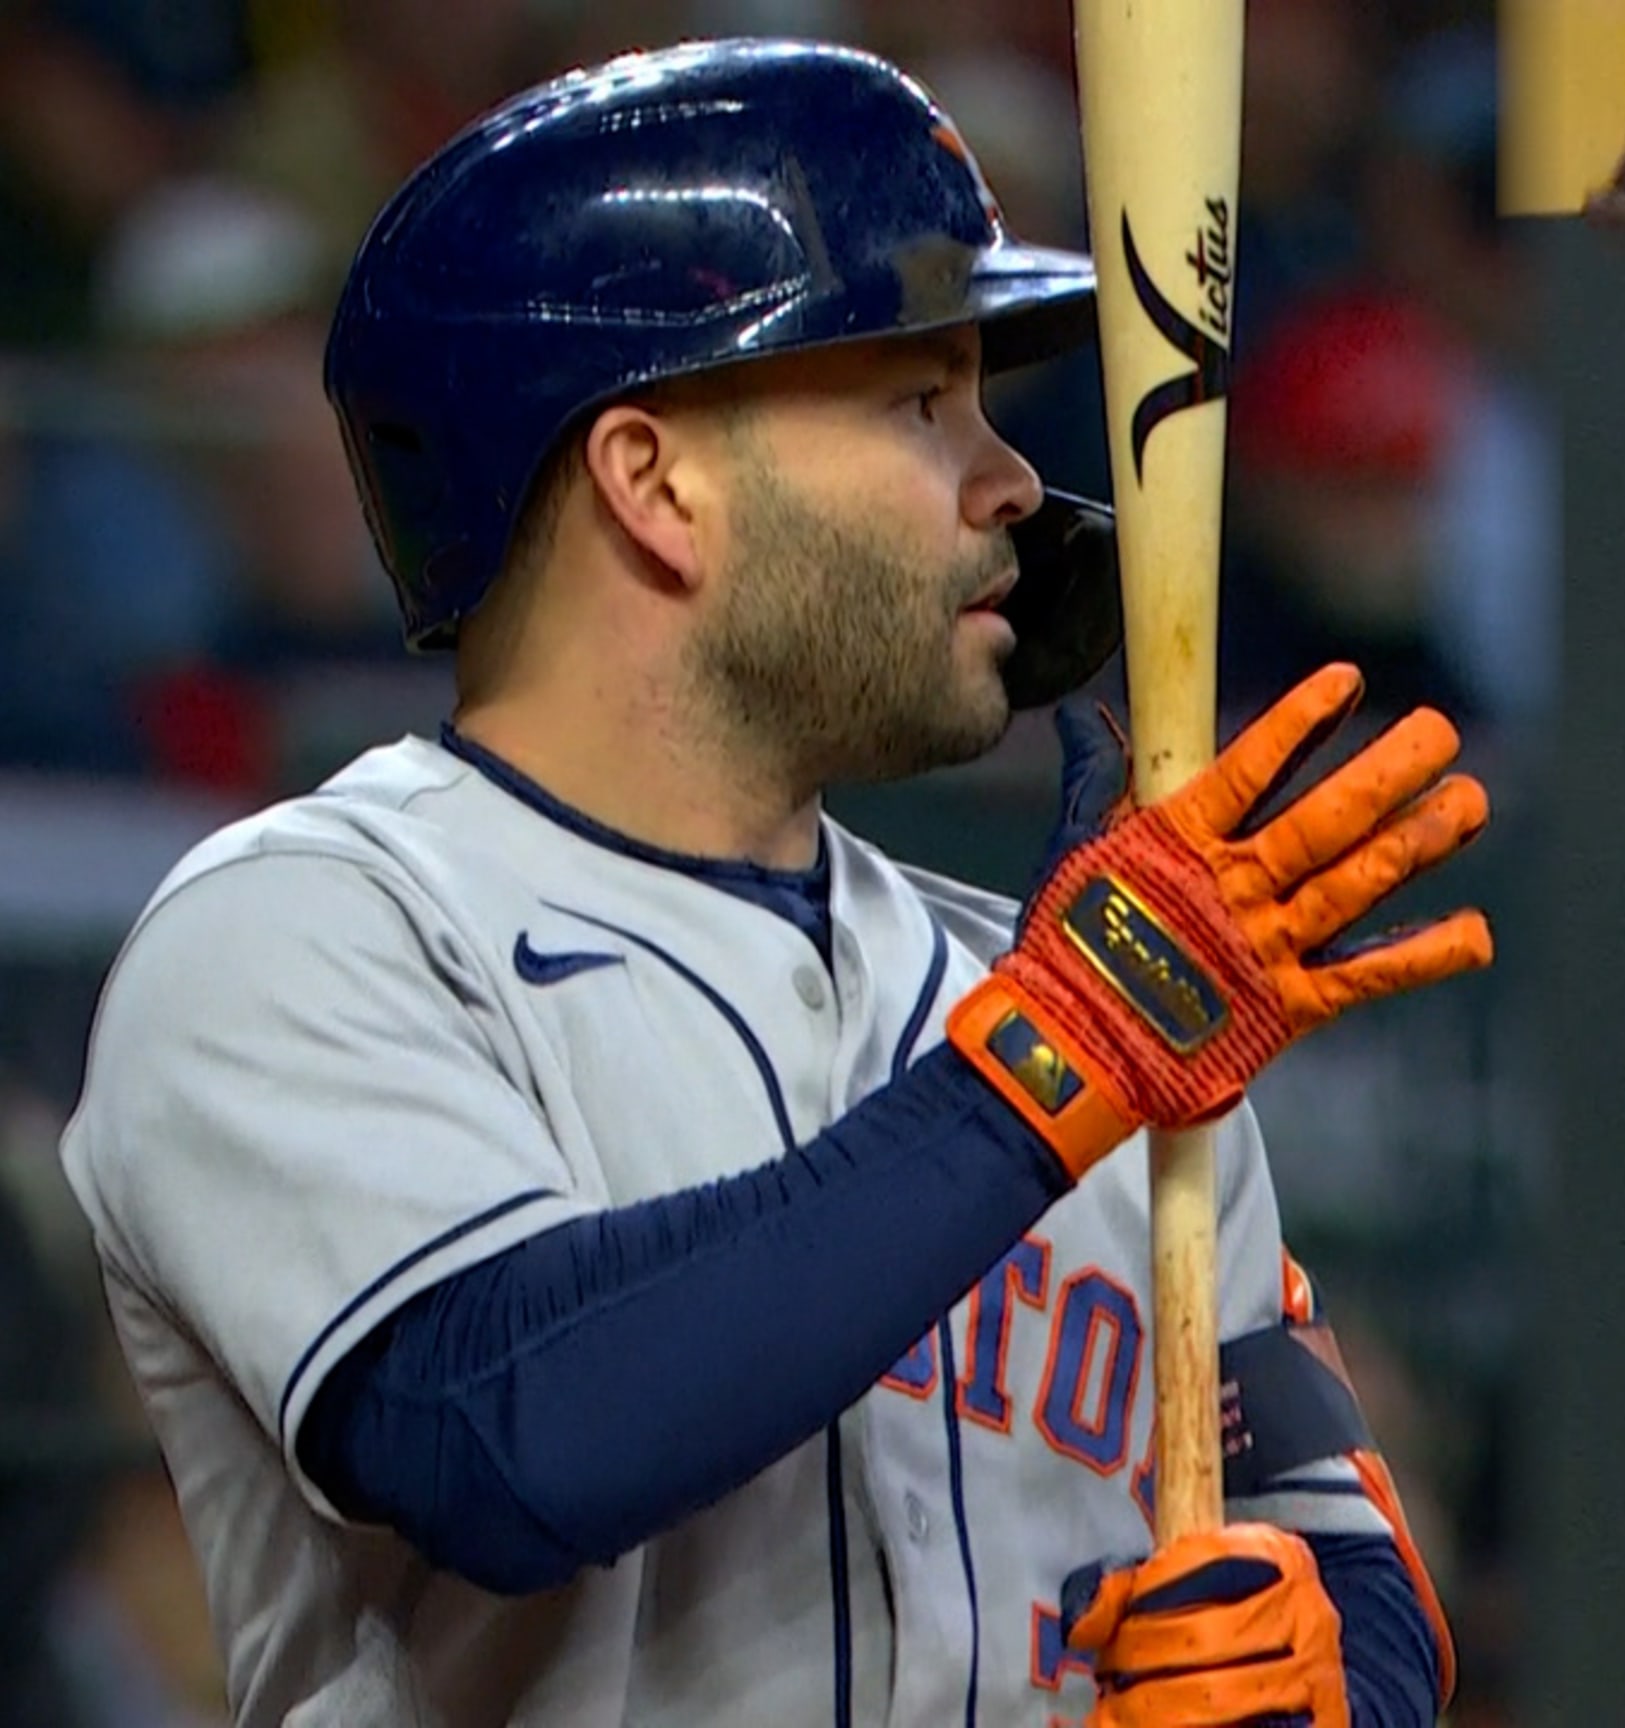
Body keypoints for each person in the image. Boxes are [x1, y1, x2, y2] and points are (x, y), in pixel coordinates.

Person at [55, 38, 1490, 1727]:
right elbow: (508, 1440)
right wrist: (1059, 1060)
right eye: (916, 401)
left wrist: (1317, 1688)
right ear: (653, 483)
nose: (1012, 481)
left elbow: (1341, 1542)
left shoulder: (1085, 989)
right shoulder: (312, 930)